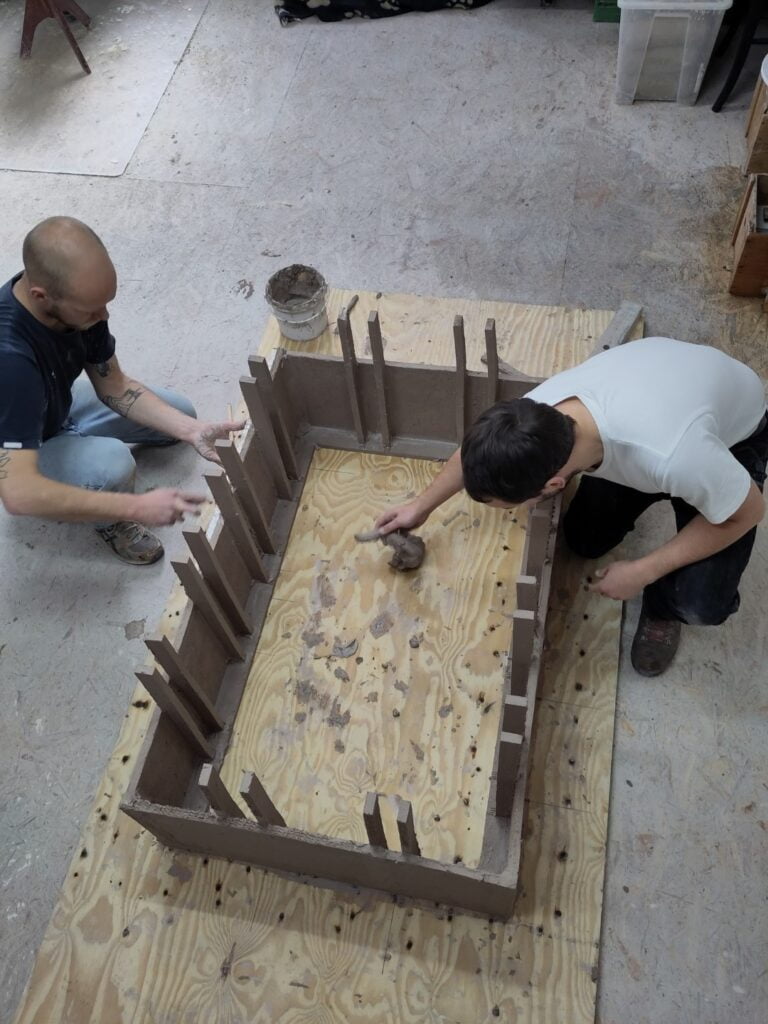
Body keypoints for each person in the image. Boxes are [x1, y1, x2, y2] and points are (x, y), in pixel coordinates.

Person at [376, 337, 768, 677]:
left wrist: (643, 571)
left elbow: (748, 512)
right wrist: (421, 506)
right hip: (669, 394)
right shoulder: (537, 413)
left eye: (511, 506)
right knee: (583, 540)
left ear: (553, 485)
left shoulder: (672, 456)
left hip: (730, 438)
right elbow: (477, 453)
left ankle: (663, 608)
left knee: (701, 603)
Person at [0, 217, 243, 565]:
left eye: (104, 303)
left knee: (181, 414)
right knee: (113, 465)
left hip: (52, 404)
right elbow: (18, 493)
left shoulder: (72, 301)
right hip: (18, 446)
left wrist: (193, 431)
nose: (103, 316)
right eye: (91, 310)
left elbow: (113, 384)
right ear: (41, 296)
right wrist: (134, 506)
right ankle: (110, 523)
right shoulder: (11, 362)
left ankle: (84, 441)